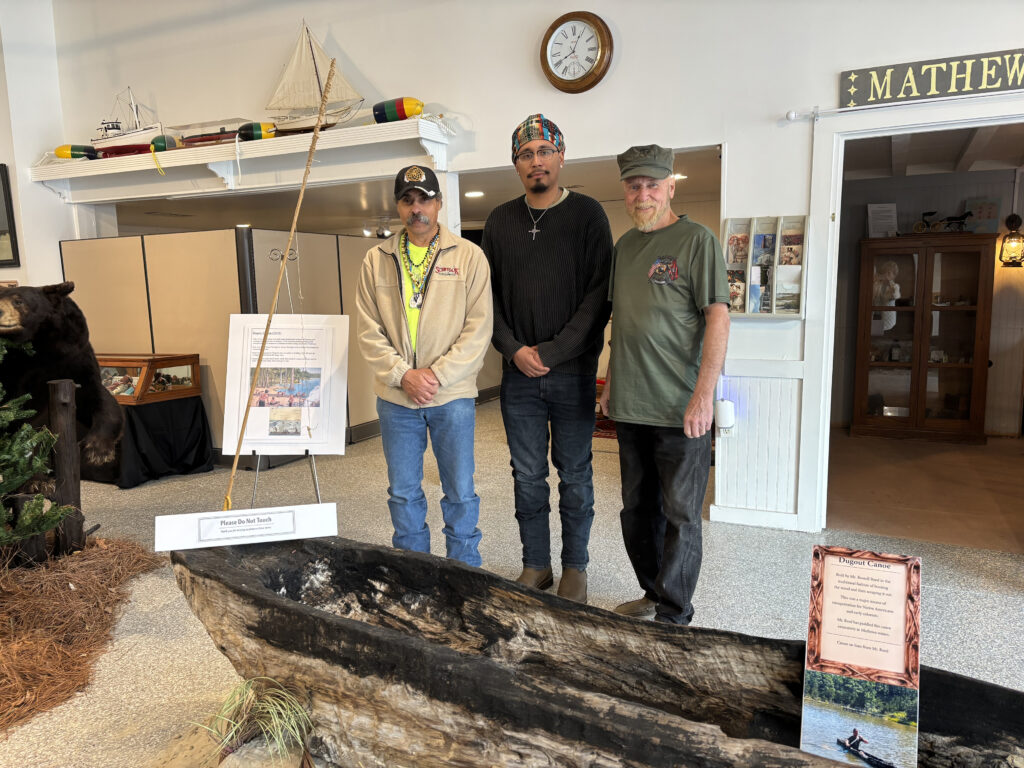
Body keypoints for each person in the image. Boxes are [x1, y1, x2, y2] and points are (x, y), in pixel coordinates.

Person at [482, 114, 613, 603]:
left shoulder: (588, 215)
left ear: (561, 155)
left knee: (575, 473)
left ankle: (574, 568)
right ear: (516, 163)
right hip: (518, 377)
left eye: (543, 150)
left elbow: (600, 296)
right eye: (525, 153)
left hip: (574, 372)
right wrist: (514, 350)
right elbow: (485, 299)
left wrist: (554, 352)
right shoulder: (499, 221)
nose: (535, 161)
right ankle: (536, 564)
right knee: (527, 475)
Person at [599, 144, 730, 625]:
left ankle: (675, 615)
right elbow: (625, 322)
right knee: (637, 513)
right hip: (631, 408)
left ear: (671, 187)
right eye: (634, 186)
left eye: (653, 185)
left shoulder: (697, 241)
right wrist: (610, 381)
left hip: (680, 409)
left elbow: (718, 318)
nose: (643, 194)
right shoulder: (625, 248)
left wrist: (703, 396)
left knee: (680, 515)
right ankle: (654, 593)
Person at [355, 164, 493, 567]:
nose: (417, 209)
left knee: (460, 490)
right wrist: (403, 375)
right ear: (399, 206)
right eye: (407, 200)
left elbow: (479, 328)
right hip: (396, 399)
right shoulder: (375, 259)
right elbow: (368, 330)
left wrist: (435, 376)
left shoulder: (469, 257)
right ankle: (414, 572)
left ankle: (465, 572)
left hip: (451, 397)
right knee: (402, 491)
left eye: (424, 199)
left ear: (439, 202)